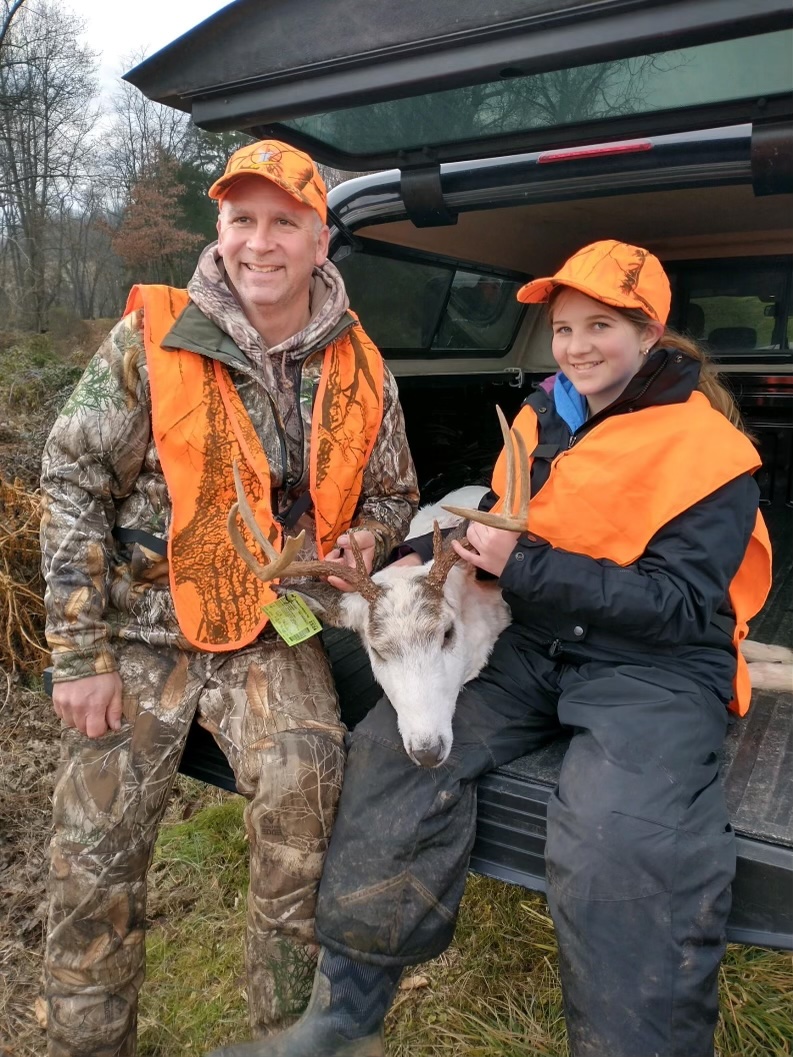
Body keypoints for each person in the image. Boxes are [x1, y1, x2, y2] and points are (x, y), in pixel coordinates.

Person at [207, 240, 772, 1057]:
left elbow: (683, 607)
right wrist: (413, 553)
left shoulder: (711, 455)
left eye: (600, 326)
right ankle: (347, 1014)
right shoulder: (545, 419)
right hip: (537, 642)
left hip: (654, 666)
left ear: (649, 333)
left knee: (618, 836)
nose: (576, 346)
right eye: (565, 328)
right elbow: (490, 519)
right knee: (390, 753)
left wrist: (527, 565)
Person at [39, 138, 419, 1057]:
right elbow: (72, 478)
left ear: (320, 239)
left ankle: (289, 1039)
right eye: (241, 219)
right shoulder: (154, 334)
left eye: (283, 222)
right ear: (220, 228)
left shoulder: (361, 366)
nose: (259, 242)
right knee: (93, 864)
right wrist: (80, 656)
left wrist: (363, 539)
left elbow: (394, 494)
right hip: (139, 632)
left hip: (269, 633)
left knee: (304, 818)